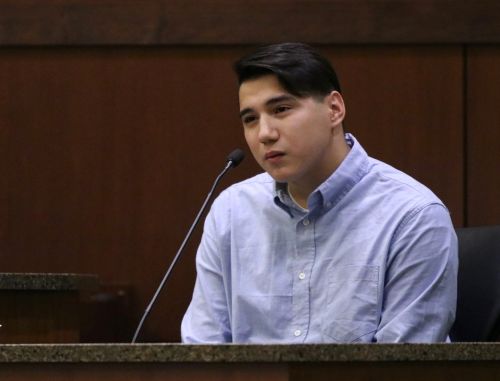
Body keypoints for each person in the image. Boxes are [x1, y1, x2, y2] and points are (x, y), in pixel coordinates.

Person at [181, 42, 458, 343]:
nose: (264, 134)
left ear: (334, 110)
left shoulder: (413, 216)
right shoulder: (231, 211)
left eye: (281, 109)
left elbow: (404, 368)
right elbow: (202, 351)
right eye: (251, 119)